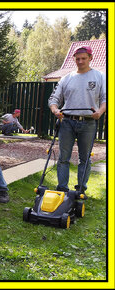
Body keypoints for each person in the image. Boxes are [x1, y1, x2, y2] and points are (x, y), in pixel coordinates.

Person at [48, 45, 106, 193]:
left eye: (83, 58)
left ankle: (81, 190)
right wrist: (56, 110)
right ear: (74, 59)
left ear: (90, 58)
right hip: (67, 121)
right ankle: (62, 188)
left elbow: (106, 99)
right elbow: (54, 99)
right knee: (63, 158)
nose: (80, 61)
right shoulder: (66, 78)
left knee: (84, 159)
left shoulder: (100, 77)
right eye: (78, 58)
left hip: (88, 122)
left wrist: (100, 112)